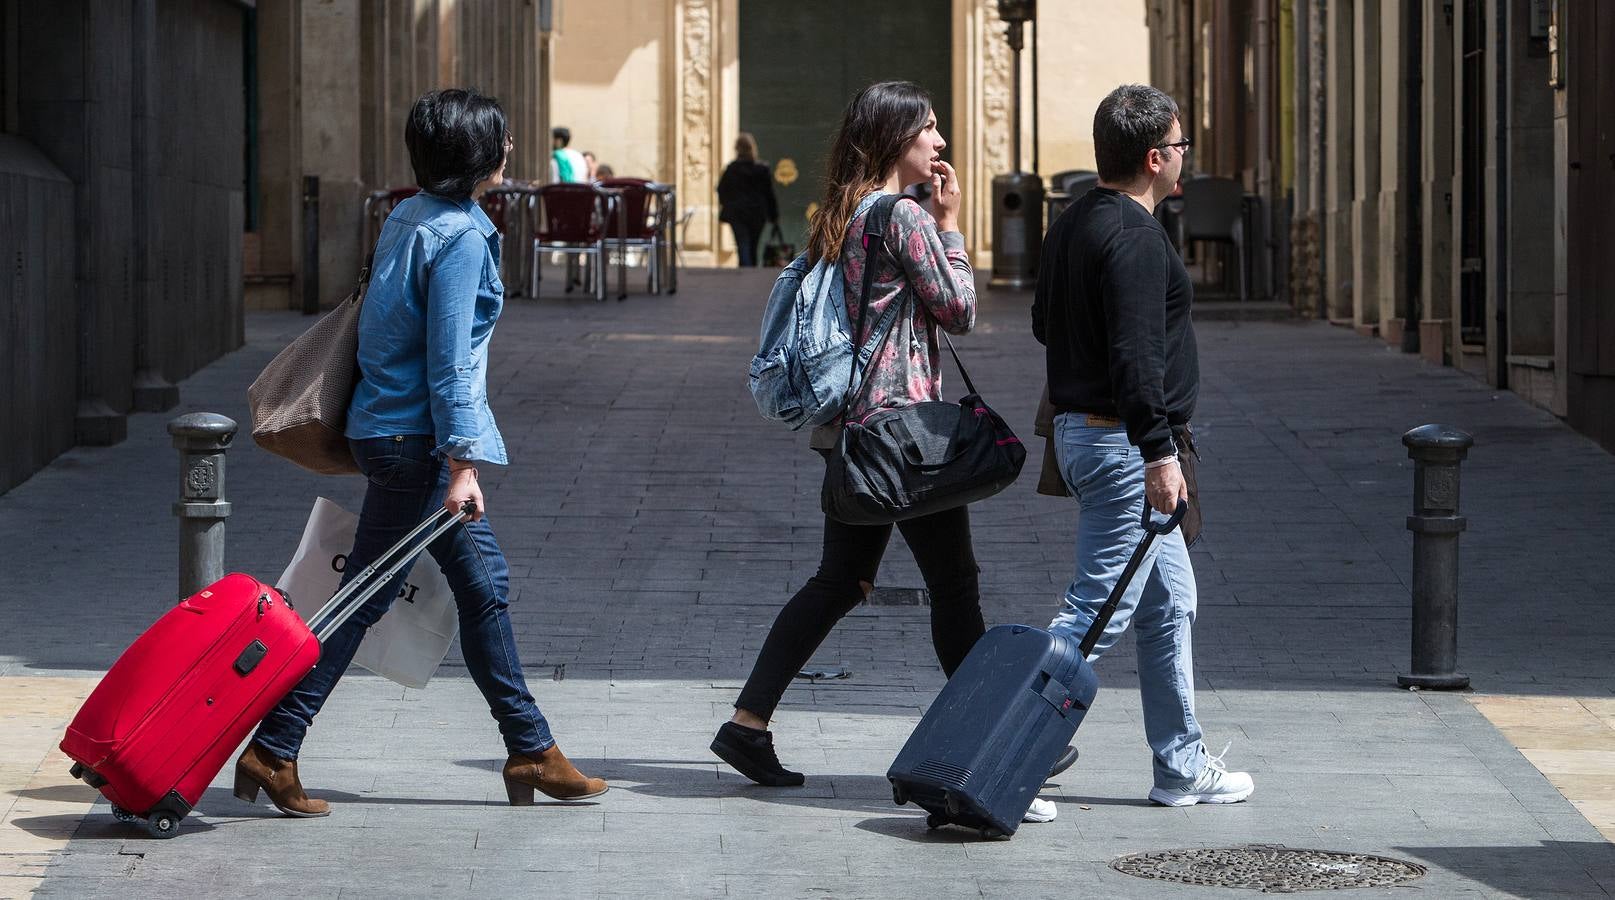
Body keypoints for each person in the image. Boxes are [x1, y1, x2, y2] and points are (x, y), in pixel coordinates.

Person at [236, 89, 608, 817]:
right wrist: (463, 465)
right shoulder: (462, 235)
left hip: (389, 429)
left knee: (477, 588)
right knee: (370, 595)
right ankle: (276, 745)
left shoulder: (407, 214)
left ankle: (530, 747)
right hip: (418, 444)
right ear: (478, 153)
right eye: (500, 139)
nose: (508, 149)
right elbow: (449, 362)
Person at [708, 81, 1069, 821]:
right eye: (928, 130)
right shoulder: (900, 214)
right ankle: (991, 746)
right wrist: (953, 225)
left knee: (839, 582)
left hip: (857, 430)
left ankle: (746, 726)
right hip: (901, 437)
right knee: (955, 585)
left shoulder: (846, 212)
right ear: (894, 138)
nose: (940, 142)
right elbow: (960, 310)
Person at [1030, 83, 1253, 808]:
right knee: (1096, 610)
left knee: (1168, 606)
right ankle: (1000, 751)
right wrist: (1158, 454)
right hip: (1121, 445)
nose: (1186, 154)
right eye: (1182, 144)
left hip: (1090, 434)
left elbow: (1043, 323)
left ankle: (1180, 767)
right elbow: (1134, 357)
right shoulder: (1131, 236)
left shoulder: (1073, 222)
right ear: (1155, 158)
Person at [717, 132, 779, 267]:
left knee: (742, 243)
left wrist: (728, 204)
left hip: (737, 212)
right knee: (753, 245)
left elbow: (721, 189)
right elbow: (769, 194)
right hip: (757, 213)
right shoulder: (762, 169)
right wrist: (774, 215)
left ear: (737, 148)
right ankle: (751, 272)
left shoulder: (732, 169)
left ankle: (746, 270)